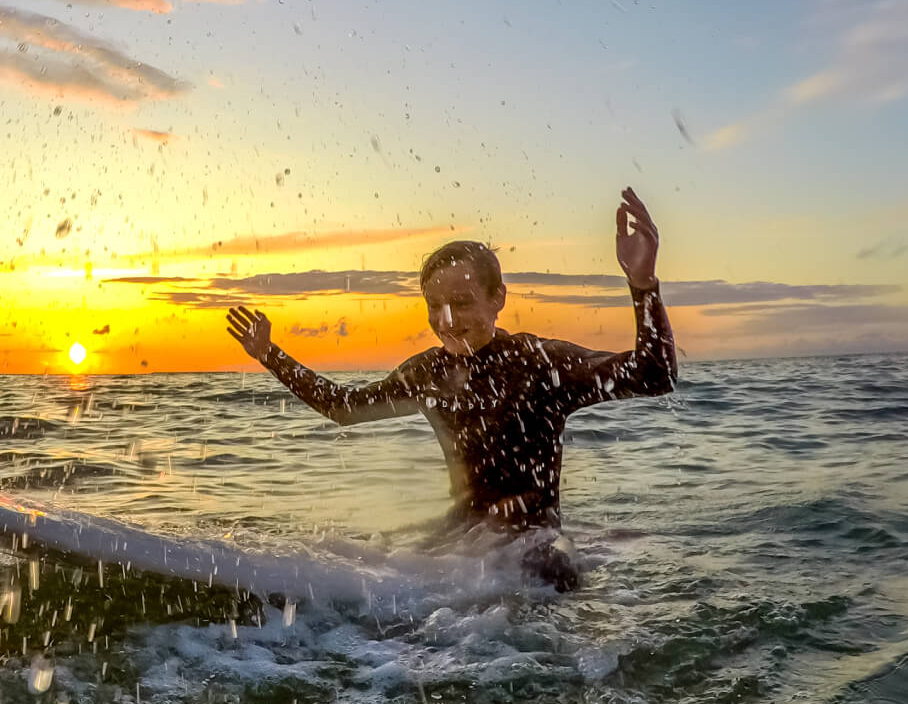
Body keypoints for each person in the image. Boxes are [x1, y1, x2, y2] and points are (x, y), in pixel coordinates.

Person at [225, 187, 677, 590]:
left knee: (556, 573)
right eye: (434, 307)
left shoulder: (540, 363)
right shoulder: (428, 373)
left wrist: (643, 286)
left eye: (461, 304)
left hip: (531, 540)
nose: (446, 321)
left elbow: (654, 375)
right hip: (461, 539)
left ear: (498, 298)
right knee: (357, 561)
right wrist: (270, 355)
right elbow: (344, 407)